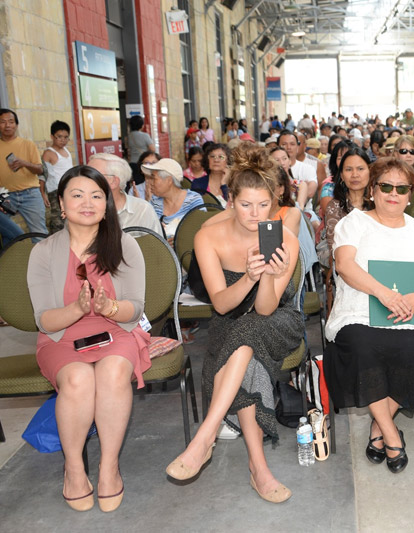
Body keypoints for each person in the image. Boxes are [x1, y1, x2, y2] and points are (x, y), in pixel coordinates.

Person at [167, 144, 300, 503]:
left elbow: (268, 309)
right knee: (245, 352)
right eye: (245, 204)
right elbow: (223, 304)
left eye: (263, 205)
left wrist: (267, 278)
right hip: (229, 318)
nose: (255, 214)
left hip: (277, 318)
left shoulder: (284, 238)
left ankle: (206, 434)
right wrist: (247, 277)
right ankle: (259, 469)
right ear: (230, 199)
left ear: (274, 202)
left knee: (246, 342)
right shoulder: (208, 236)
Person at [28, 165, 151, 512]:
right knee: (79, 379)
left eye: (96, 195)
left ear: (106, 204)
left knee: (112, 372)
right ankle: (74, 469)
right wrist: (77, 309)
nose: (88, 202)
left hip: (117, 331)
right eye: (77, 195)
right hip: (62, 336)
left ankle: (109, 467)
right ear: (62, 206)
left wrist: (109, 307)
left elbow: (135, 307)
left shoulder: (124, 244)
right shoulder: (43, 252)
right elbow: (45, 320)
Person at [324, 157, 414, 474]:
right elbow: (345, 266)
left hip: (408, 311)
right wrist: (383, 293)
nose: (394, 193)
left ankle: (378, 429)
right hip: (359, 310)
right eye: (386, 186)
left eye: (402, 188)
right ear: (372, 190)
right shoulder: (355, 222)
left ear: (410, 194)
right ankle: (391, 434)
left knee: (410, 351)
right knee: (363, 348)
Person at [0, 108, 47, 238]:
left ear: (16, 125)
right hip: (6, 196)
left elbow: (40, 169)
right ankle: (13, 258)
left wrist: (24, 163)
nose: (7, 125)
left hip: (30, 194)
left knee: (39, 233)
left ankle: (42, 258)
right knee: (7, 234)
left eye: (11, 121)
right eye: (3, 122)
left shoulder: (28, 144)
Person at [88, 153, 161, 235]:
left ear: (113, 181)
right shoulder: (83, 209)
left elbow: (156, 246)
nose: (85, 180)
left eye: (93, 175)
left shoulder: (142, 210)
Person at [324, 147, 371, 261]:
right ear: (342, 176)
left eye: (360, 169)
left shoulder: (379, 204)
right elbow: (335, 249)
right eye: (349, 169)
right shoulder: (334, 207)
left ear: (370, 171)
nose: (355, 174)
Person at [143, 158, 204, 242]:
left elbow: (202, 230)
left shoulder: (193, 200)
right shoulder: (154, 202)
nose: (151, 183)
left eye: (154, 178)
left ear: (169, 180)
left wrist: (180, 240)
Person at [42, 120, 73, 233]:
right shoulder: (48, 153)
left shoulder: (66, 151)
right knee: (57, 220)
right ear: (52, 136)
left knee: (69, 218)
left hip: (69, 189)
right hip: (55, 191)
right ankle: (54, 244)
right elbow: (43, 175)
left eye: (66, 137)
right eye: (59, 137)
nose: (63, 140)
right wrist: (42, 193)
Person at [278, 130, 317, 207]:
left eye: (292, 144)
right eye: (284, 144)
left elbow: (310, 192)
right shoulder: (270, 170)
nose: (288, 147)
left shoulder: (308, 168)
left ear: (297, 146)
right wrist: (300, 190)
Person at [126, 115, 155, 189]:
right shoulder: (145, 136)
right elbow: (152, 149)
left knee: (137, 183)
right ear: (142, 125)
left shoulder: (128, 136)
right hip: (143, 163)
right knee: (145, 183)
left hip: (132, 163)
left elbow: (127, 149)